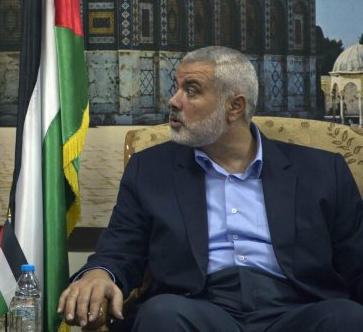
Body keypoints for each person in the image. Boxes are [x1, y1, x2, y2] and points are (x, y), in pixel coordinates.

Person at [58, 46, 363, 331]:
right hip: (197, 306)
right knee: (161, 314)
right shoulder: (150, 170)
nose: (174, 101)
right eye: (175, 88)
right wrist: (99, 274)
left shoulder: (323, 171)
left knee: (347, 317)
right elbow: (120, 249)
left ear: (235, 106)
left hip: (298, 308)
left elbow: (357, 260)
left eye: (191, 91)